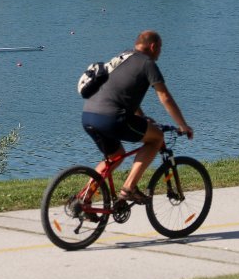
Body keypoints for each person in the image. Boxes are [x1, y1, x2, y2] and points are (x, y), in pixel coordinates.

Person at [82, 30, 193, 204]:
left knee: (115, 156)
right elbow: (164, 97)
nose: (160, 52)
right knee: (157, 138)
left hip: (89, 115)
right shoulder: (147, 63)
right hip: (112, 118)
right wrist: (183, 125)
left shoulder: (121, 58)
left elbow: (123, 95)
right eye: (160, 48)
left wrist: (143, 118)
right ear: (153, 46)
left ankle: (83, 201)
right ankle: (129, 188)